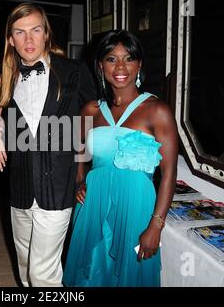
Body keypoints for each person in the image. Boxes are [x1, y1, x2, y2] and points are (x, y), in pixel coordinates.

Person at [63, 30, 178, 287]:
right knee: (91, 273)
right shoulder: (91, 110)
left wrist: (156, 226)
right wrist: (79, 179)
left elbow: (169, 174)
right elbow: (78, 148)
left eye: (128, 58)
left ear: (139, 64)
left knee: (131, 277)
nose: (121, 67)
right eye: (111, 59)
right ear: (100, 65)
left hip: (137, 205)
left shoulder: (156, 110)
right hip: (94, 203)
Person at [0, 3, 96, 287]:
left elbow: (90, 122)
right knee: (25, 265)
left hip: (59, 188)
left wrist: (84, 172)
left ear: (46, 34)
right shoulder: (4, 77)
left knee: (43, 274)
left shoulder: (74, 71)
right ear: (10, 38)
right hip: (20, 188)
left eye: (35, 30)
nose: (28, 40)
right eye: (20, 32)